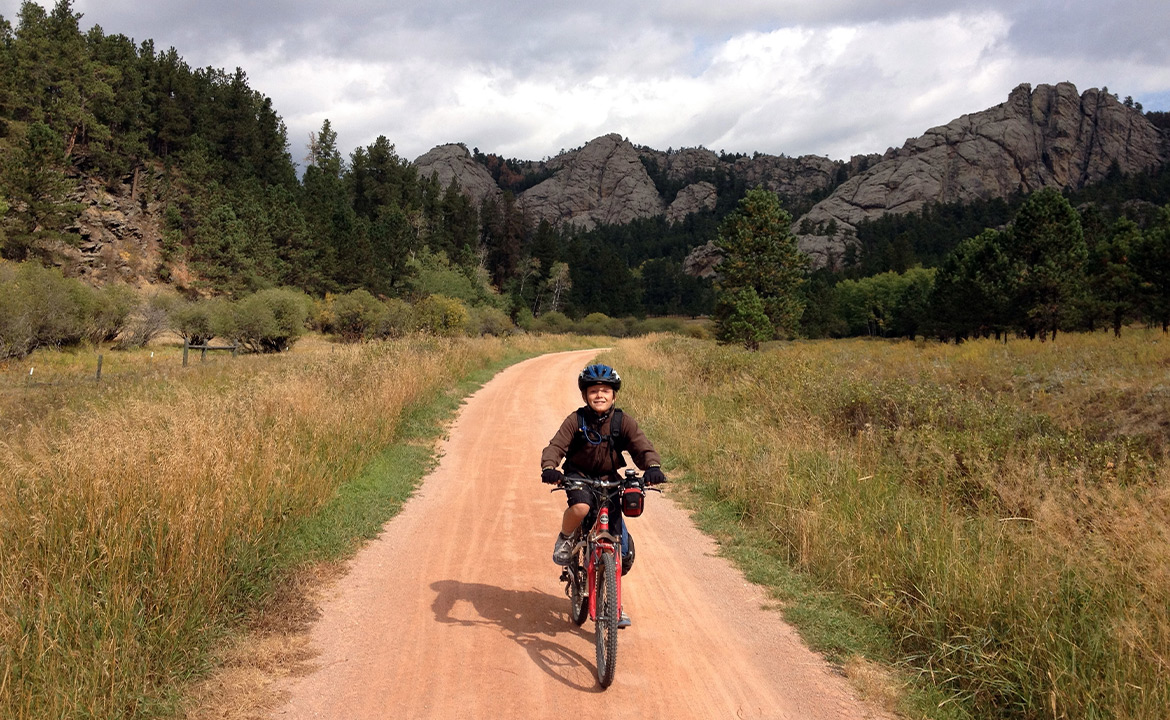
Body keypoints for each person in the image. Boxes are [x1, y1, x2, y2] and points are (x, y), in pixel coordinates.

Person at [540, 363, 666, 628]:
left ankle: (612, 601)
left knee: (624, 549)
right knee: (582, 508)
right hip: (578, 477)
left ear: (614, 395)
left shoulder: (623, 421)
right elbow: (556, 446)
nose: (599, 395)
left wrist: (652, 467)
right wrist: (550, 467)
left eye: (605, 391)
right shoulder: (576, 420)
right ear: (585, 395)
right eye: (594, 391)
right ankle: (565, 539)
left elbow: (642, 447)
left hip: (610, 480)